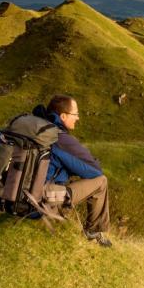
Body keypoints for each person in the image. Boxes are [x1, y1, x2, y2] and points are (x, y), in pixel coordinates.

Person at [33, 94, 112, 247]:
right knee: (101, 181)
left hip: (23, 194)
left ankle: (60, 212)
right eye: (75, 114)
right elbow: (95, 171)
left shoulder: (39, 129)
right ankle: (93, 231)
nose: (78, 118)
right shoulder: (60, 139)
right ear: (63, 116)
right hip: (40, 198)